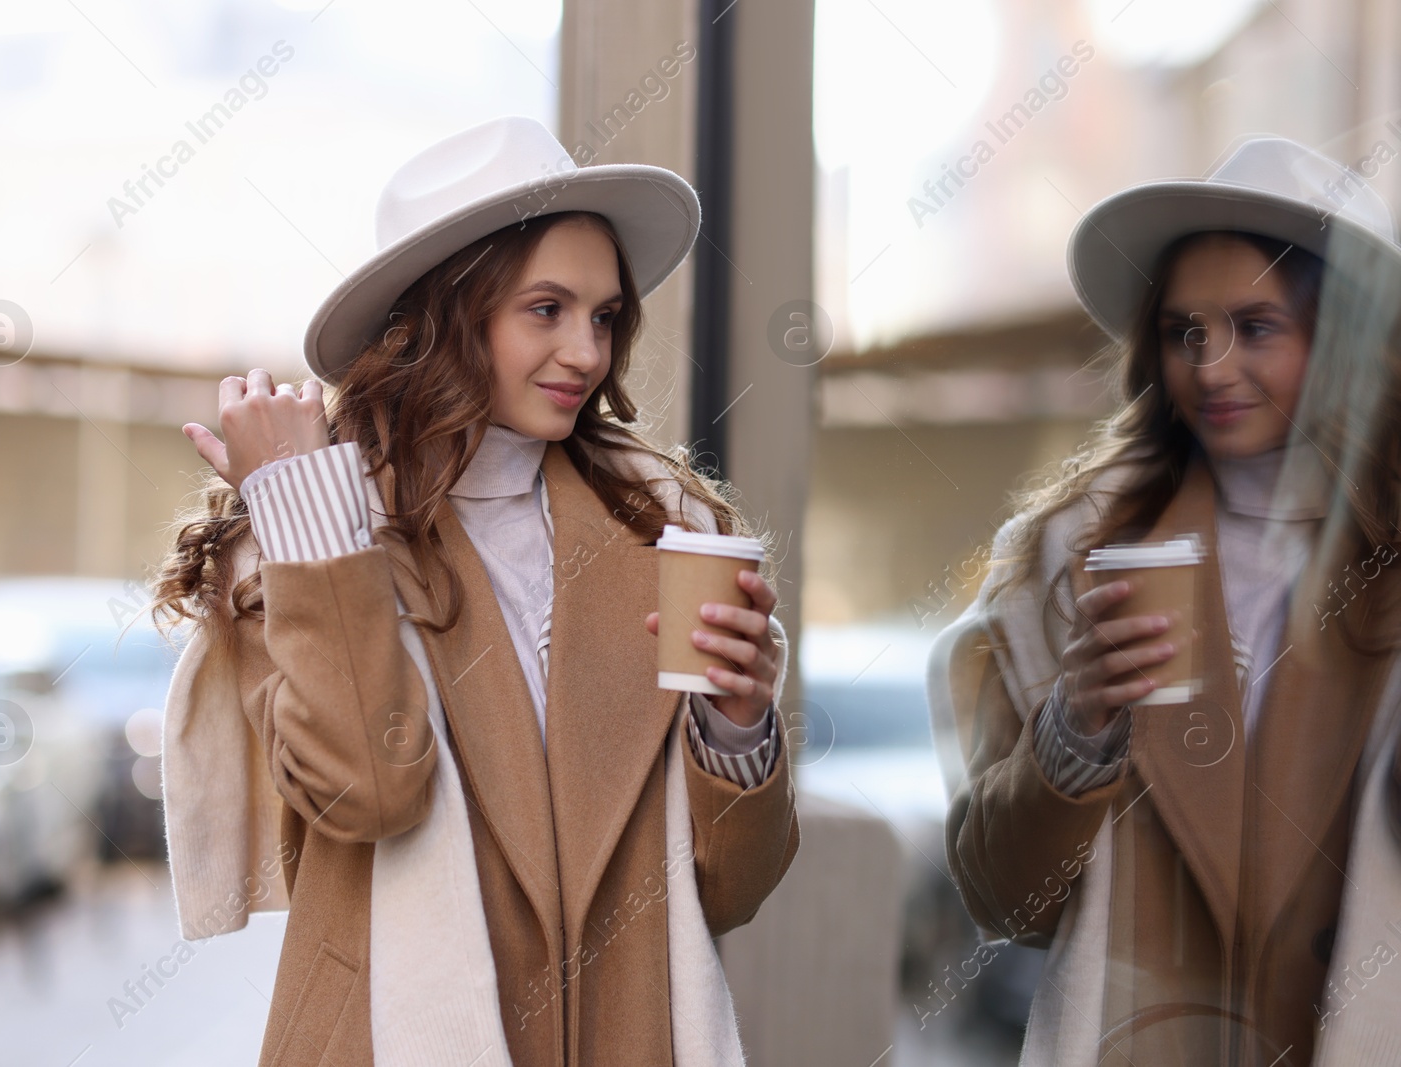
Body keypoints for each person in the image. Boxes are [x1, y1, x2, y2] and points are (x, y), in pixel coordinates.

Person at [150, 116, 799, 1067]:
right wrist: (304, 512)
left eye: (605, 314)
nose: (587, 350)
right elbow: (372, 789)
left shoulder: (666, 530)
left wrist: (738, 729)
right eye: (547, 309)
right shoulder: (299, 542)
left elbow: (732, 891)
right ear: (446, 314)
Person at [929, 136, 1401, 1065]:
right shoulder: (1065, 565)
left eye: (1256, 327)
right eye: (1187, 330)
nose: (1214, 366)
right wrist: (1078, 729)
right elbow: (1003, 902)